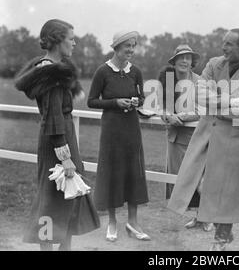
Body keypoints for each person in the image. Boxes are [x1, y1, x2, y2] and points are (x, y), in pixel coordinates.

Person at [167, 29, 239, 250]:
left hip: (235, 140)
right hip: (208, 135)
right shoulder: (213, 64)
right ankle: (207, 221)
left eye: (230, 44)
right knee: (201, 182)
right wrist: (232, 101)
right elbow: (198, 96)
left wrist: (216, 104)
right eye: (223, 43)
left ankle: (221, 238)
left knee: (229, 190)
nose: (224, 48)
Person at [14, 19, 100, 251]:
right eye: (71, 38)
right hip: (57, 140)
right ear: (56, 40)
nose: (75, 42)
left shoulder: (56, 71)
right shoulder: (51, 73)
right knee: (53, 202)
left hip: (62, 136)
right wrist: (65, 157)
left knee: (67, 200)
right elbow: (53, 117)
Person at [87, 30, 150, 241]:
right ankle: (112, 222)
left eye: (133, 46)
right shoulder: (102, 72)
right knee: (113, 172)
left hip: (131, 128)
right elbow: (92, 101)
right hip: (112, 130)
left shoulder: (136, 72)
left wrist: (136, 101)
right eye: (127, 46)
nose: (131, 50)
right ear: (116, 47)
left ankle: (133, 222)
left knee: (134, 172)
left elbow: (141, 97)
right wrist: (115, 103)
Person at [158, 44, 213, 232]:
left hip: (196, 138)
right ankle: (197, 217)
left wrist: (179, 117)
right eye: (180, 58)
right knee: (180, 180)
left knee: (200, 179)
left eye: (188, 58)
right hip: (175, 139)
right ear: (173, 62)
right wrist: (165, 114)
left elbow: (202, 110)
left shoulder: (199, 82)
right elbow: (161, 106)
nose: (184, 61)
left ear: (192, 62)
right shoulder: (168, 81)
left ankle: (206, 217)